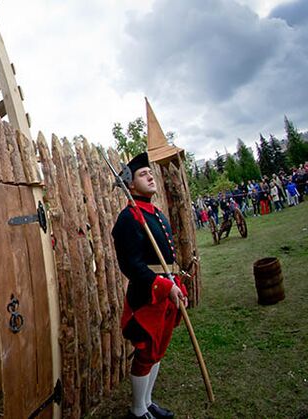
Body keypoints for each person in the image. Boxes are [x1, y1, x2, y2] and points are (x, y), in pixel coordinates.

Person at [111, 152, 188, 419]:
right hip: (146, 297)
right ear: (130, 184)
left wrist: (176, 286)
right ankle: (137, 410)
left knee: (158, 352)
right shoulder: (128, 219)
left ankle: (147, 403)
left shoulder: (155, 213)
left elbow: (167, 259)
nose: (150, 176)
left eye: (150, 172)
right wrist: (165, 287)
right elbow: (131, 265)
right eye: (143, 175)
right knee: (145, 354)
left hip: (166, 293)